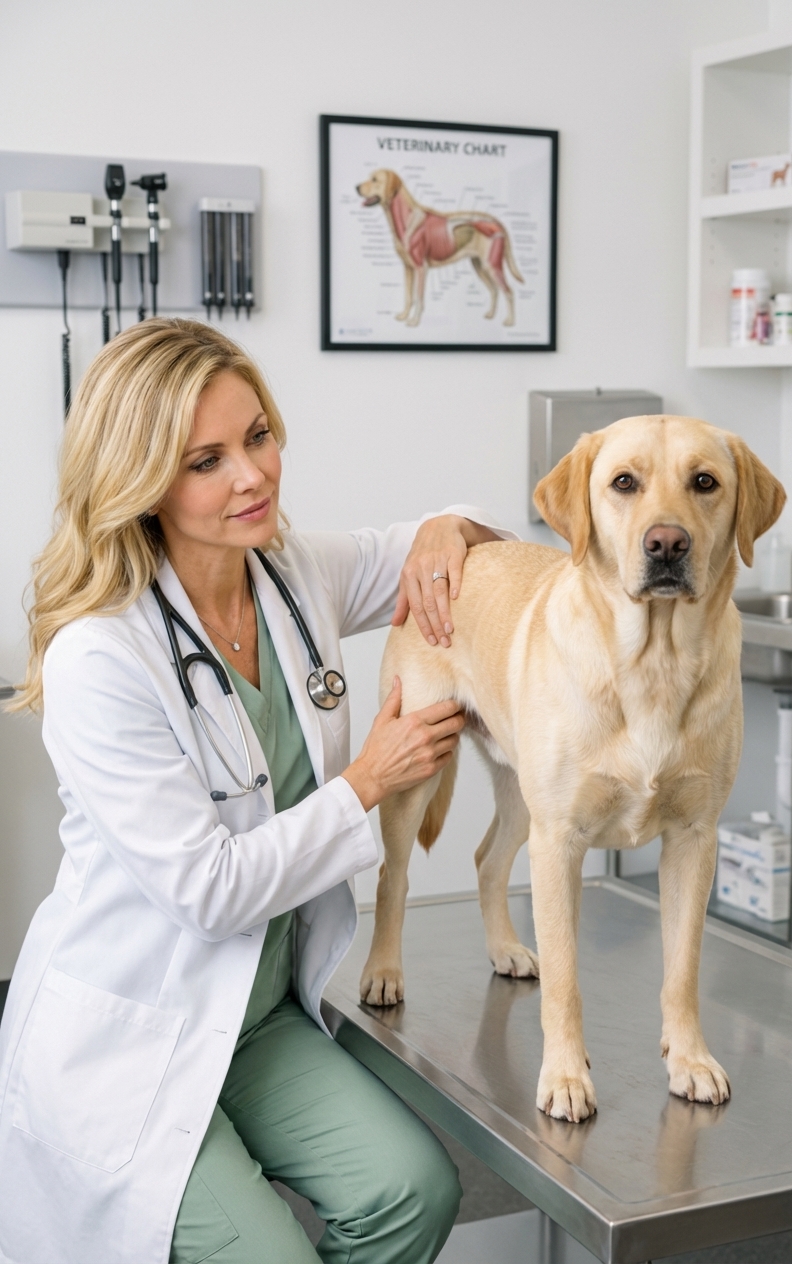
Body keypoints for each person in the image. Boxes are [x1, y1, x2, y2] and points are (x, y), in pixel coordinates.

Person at [0, 319, 514, 1264]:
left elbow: (453, 544)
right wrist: (368, 782)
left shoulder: (289, 573)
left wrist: (449, 521)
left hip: (256, 1016)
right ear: (141, 477)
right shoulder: (100, 656)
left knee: (412, 1191)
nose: (252, 476)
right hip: (136, 1031)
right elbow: (210, 889)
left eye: (259, 436)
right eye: (206, 460)